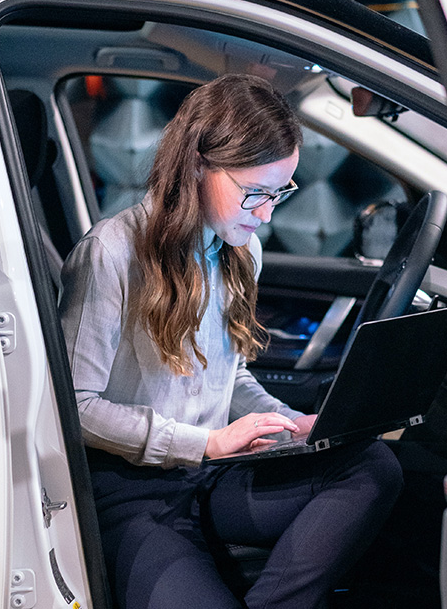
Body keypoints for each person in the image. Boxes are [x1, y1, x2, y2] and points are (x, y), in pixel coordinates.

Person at [59, 73, 403, 609]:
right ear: (197, 165)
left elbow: (231, 375)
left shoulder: (240, 250)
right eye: (255, 193)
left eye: (280, 193)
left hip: (211, 478)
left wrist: (289, 425)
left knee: (371, 465)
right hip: (130, 493)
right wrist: (204, 444)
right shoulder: (112, 251)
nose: (266, 214)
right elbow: (75, 409)